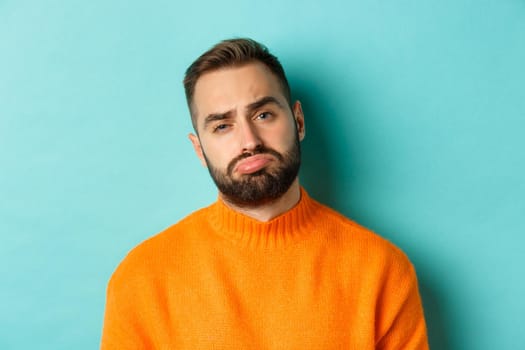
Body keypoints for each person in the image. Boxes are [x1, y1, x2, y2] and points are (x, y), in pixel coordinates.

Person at [101, 38, 429, 349]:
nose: (249, 140)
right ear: (199, 149)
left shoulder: (382, 270)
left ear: (298, 121)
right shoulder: (141, 278)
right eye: (222, 126)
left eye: (263, 115)